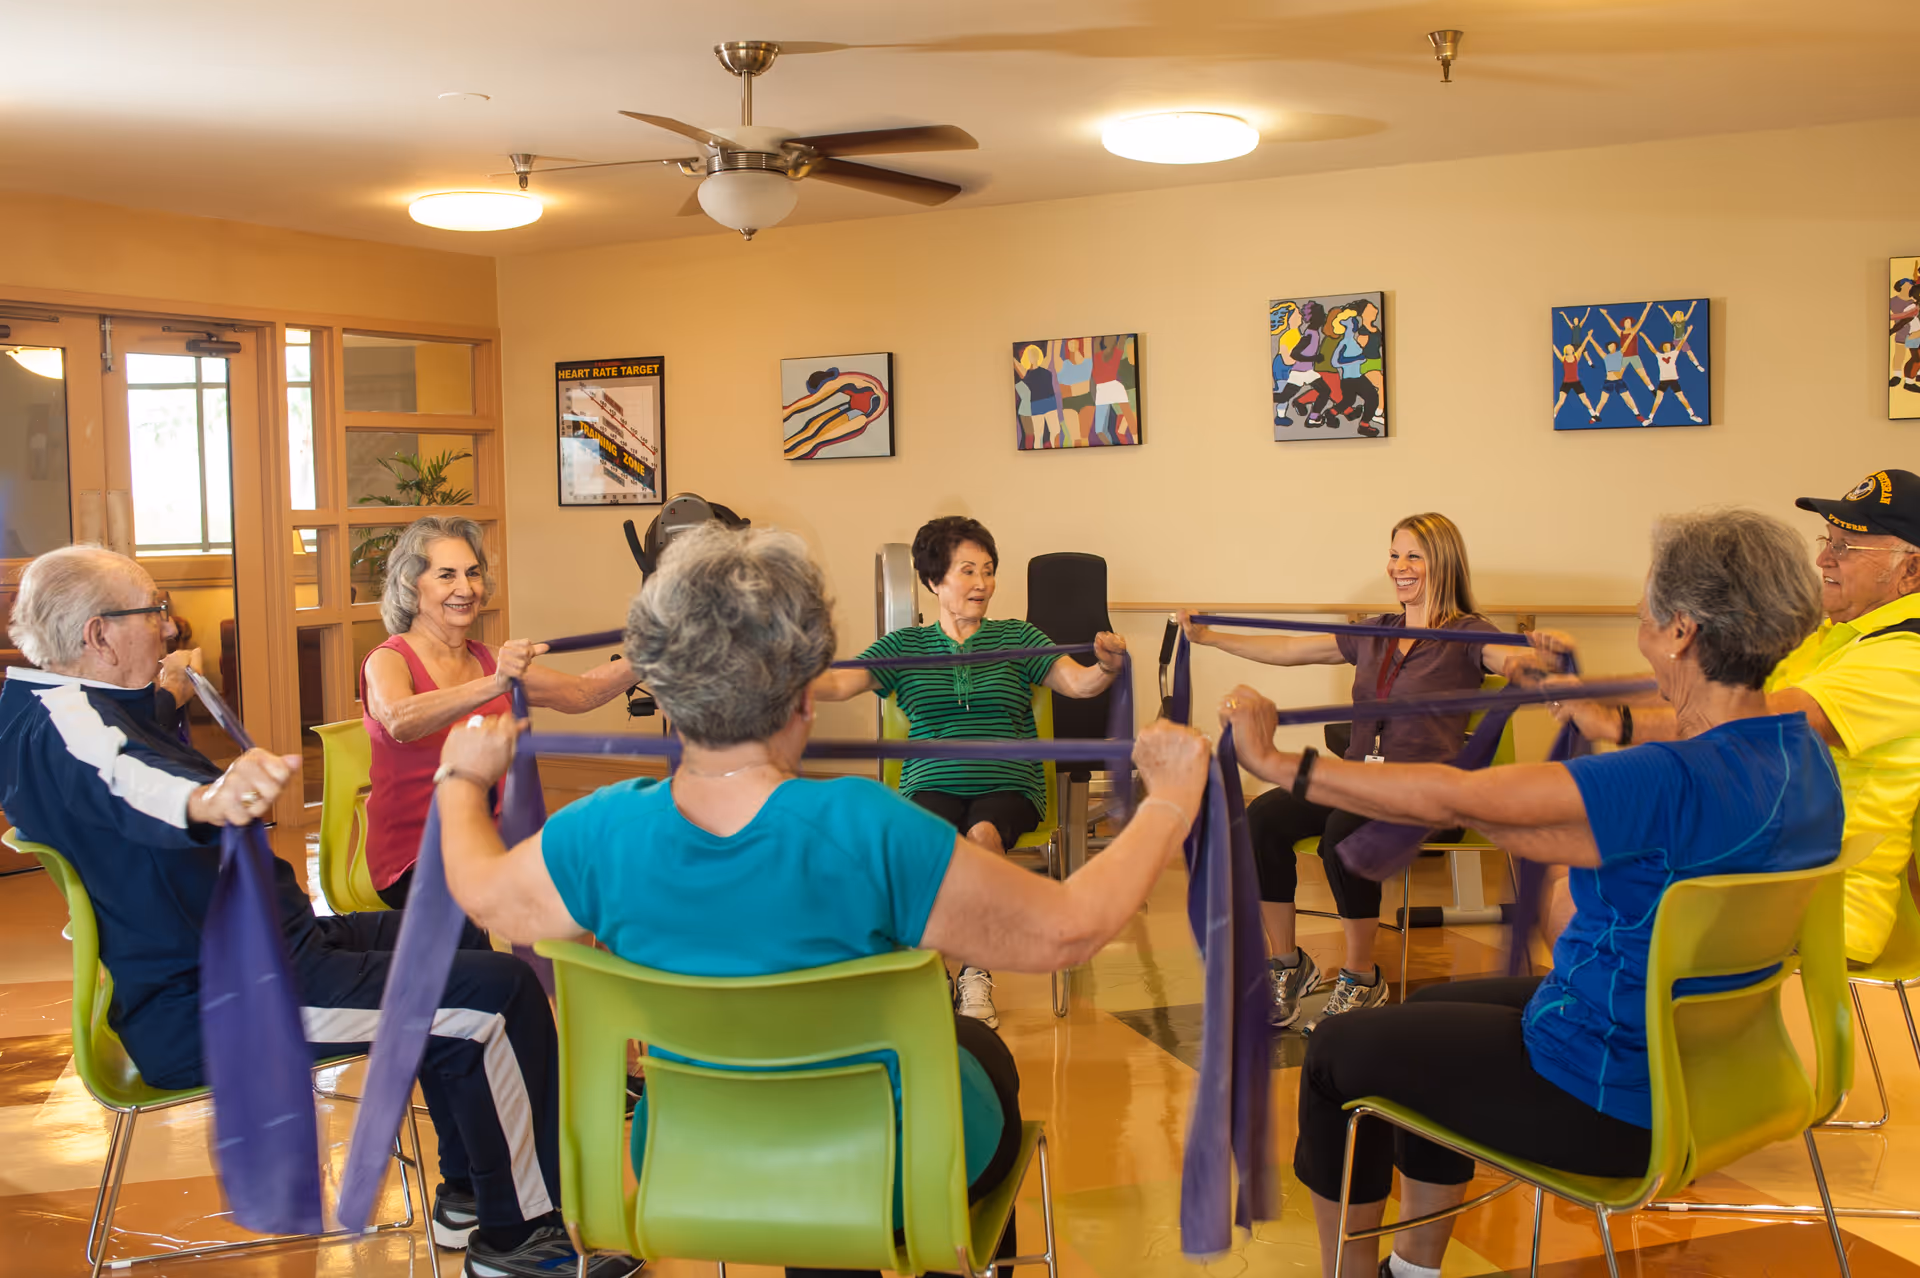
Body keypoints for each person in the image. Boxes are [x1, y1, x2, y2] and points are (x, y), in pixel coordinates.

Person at [430, 524, 1211, 1278]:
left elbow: (485, 895)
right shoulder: (870, 827)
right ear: (804, 691)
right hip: (885, 1169)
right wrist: (1170, 800)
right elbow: (1069, 931)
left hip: (688, 1161)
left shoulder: (600, 830)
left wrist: (462, 779)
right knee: (983, 1057)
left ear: (665, 687)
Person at [1219, 507, 1842, 1278]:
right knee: (1416, 1019)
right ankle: (1412, 1272)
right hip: (1712, 1070)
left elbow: (1458, 801)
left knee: (1337, 1053)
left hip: (1610, 1091)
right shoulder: (1799, 758)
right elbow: (1548, 822)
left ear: (1680, 630)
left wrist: (1278, 762)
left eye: (1649, 600)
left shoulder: (1662, 781)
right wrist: (1585, 707)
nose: (1640, 612)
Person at [0, 546, 635, 1278]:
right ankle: (522, 1243)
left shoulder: (50, 704)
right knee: (493, 1000)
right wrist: (209, 799)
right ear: (99, 635)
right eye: (154, 612)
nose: (171, 629)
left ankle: (475, 1193)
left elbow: (110, 757)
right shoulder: (72, 726)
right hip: (225, 999)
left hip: (260, 949)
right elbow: (129, 780)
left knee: (436, 943)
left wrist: (168, 695)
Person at [1179, 513, 1553, 1033]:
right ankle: (1287, 964)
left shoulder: (1469, 633)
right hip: (1358, 782)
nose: (1398, 567)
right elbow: (1290, 650)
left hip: (1426, 797)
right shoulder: (1374, 633)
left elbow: (1506, 658)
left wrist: (1529, 664)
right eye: (1394, 554)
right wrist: (1211, 638)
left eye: (1413, 556)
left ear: (1442, 562)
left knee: (1343, 834)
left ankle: (1361, 977)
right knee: (1262, 817)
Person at [1551, 472, 1920, 966]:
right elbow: (1715, 685)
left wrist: (1615, 723)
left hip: (1816, 906)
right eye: (1827, 542)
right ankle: (1620, 1026)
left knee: (1570, 895)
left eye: (1848, 547)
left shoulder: (1906, 651)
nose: (1823, 560)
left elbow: (1762, 724)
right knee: (1570, 870)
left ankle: (1626, 1033)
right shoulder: (1838, 636)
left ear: (1911, 570)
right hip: (1758, 861)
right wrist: (1590, 690)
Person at [811, 515, 1130, 1028]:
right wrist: (767, 667)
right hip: (929, 782)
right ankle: (932, 971)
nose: (982, 583)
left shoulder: (1018, 638)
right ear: (935, 580)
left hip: (1009, 782)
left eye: (988, 570)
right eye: (967, 571)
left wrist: (1108, 666)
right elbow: (834, 685)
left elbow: (1080, 685)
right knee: (925, 847)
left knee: (982, 837)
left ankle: (975, 971)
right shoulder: (904, 648)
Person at [361, 515, 639, 907]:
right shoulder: (388, 659)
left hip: (492, 840)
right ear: (411, 585)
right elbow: (400, 720)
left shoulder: (486, 657)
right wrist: (495, 682)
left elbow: (579, 693)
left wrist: (653, 656)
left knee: (600, 868)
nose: (465, 588)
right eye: (446, 575)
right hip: (416, 856)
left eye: (472, 573)